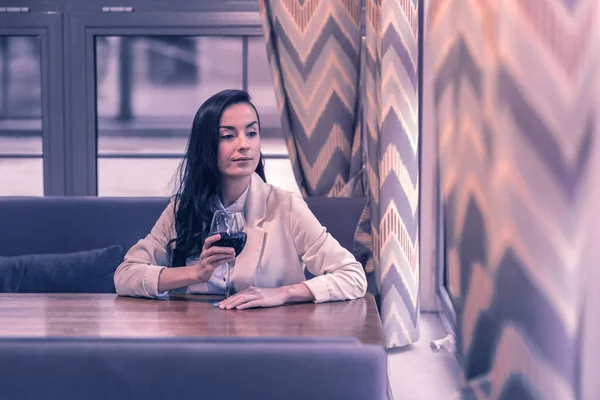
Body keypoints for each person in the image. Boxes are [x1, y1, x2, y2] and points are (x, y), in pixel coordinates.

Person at [114, 89, 367, 309]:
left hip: (270, 338)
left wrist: (282, 294)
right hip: (196, 337)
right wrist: (195, 273)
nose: (244, 144)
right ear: (206, 146)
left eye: (252, 133)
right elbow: (125, 276)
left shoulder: (285, 206)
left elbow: (353, 276)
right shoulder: (183, 208)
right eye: (228, 135)